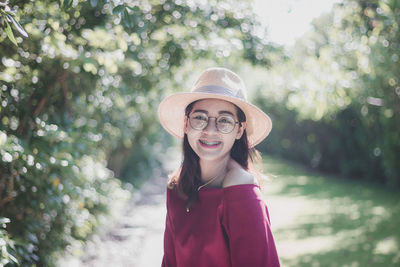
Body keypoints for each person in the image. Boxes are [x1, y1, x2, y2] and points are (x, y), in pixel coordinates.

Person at [158, 67, 280, 267]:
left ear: (239, 130)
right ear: (186, 123)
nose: (210, 130)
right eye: (200, 117)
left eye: (224, 120)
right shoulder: (176, 186)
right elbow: (170, 262)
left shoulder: (241, 188)